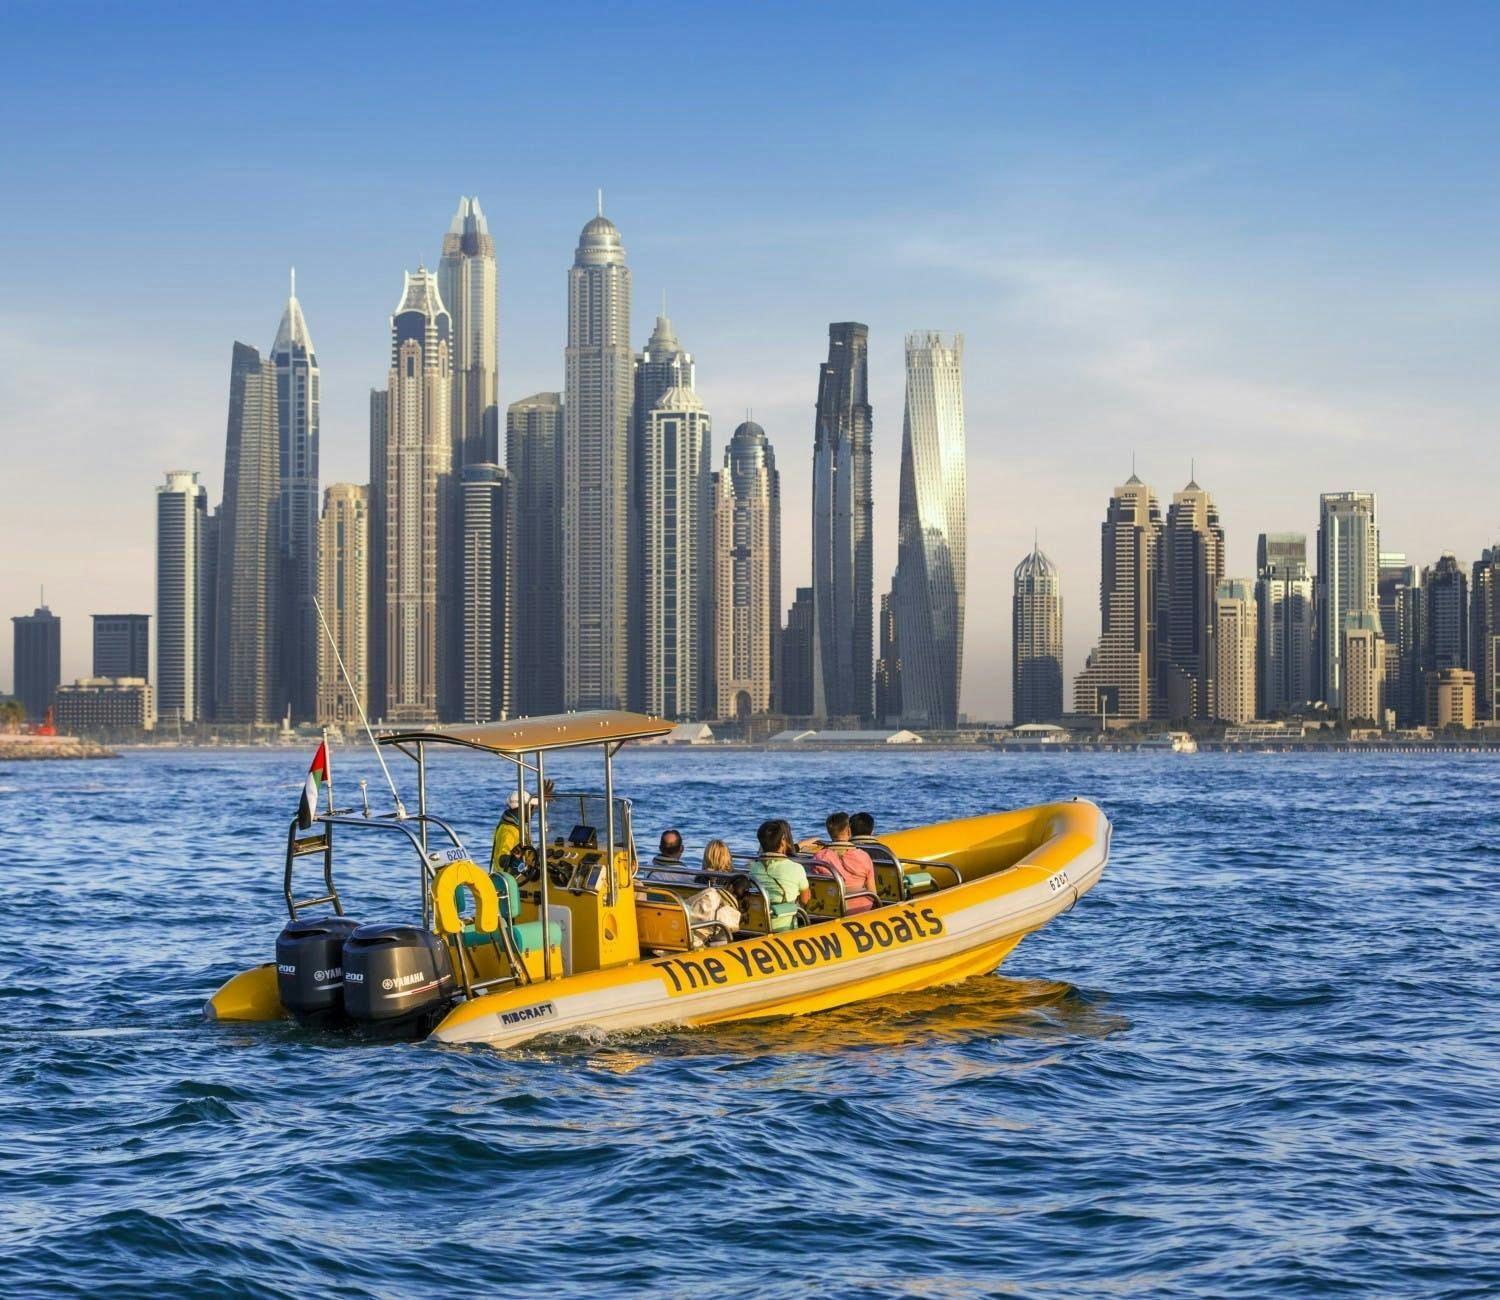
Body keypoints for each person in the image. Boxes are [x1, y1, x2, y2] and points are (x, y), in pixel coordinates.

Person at [812, 811, 878, 913]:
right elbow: (872, 892)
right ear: (849, 831)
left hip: (831, 907)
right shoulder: (863, 856)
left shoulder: (819, 857)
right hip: (861, 907)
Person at [751, 819, 810, 931]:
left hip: (759, 925)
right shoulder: (796, 868)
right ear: (783, 841)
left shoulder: (754, 867)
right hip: (784, 927)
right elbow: (805, 899)